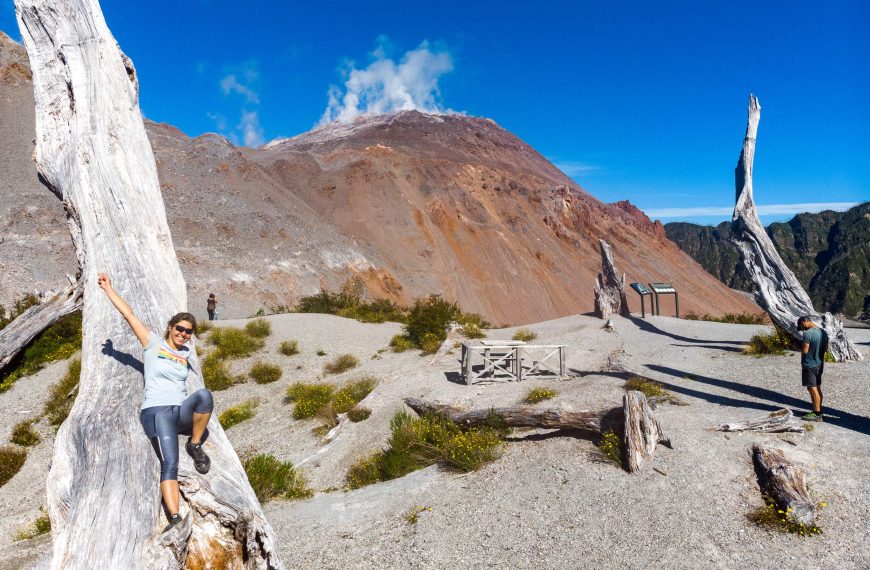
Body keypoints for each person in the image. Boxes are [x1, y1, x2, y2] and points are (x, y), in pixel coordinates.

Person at [97, 272, 214, 532]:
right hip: (157, 412)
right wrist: (109, 289)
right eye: (180, 329)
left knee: (205, 395)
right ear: (170, 328)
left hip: (179, 411)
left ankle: (194, 445)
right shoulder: (153, 343)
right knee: (169, 463)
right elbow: (129, 315)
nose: (184, 334)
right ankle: (174, 518)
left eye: (189, 331)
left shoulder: (185, 354)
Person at [797, 316, 828, 422]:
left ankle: (817, 414)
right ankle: (818, 409)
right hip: (819, 364)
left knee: (812, 388)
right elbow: (825, 349)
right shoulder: (823, 332)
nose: (802, 330)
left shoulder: (808, 333)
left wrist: (799, 349)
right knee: (818, 387)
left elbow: (805, 350)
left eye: (801, 327)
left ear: (804, 322)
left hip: (809, 364)